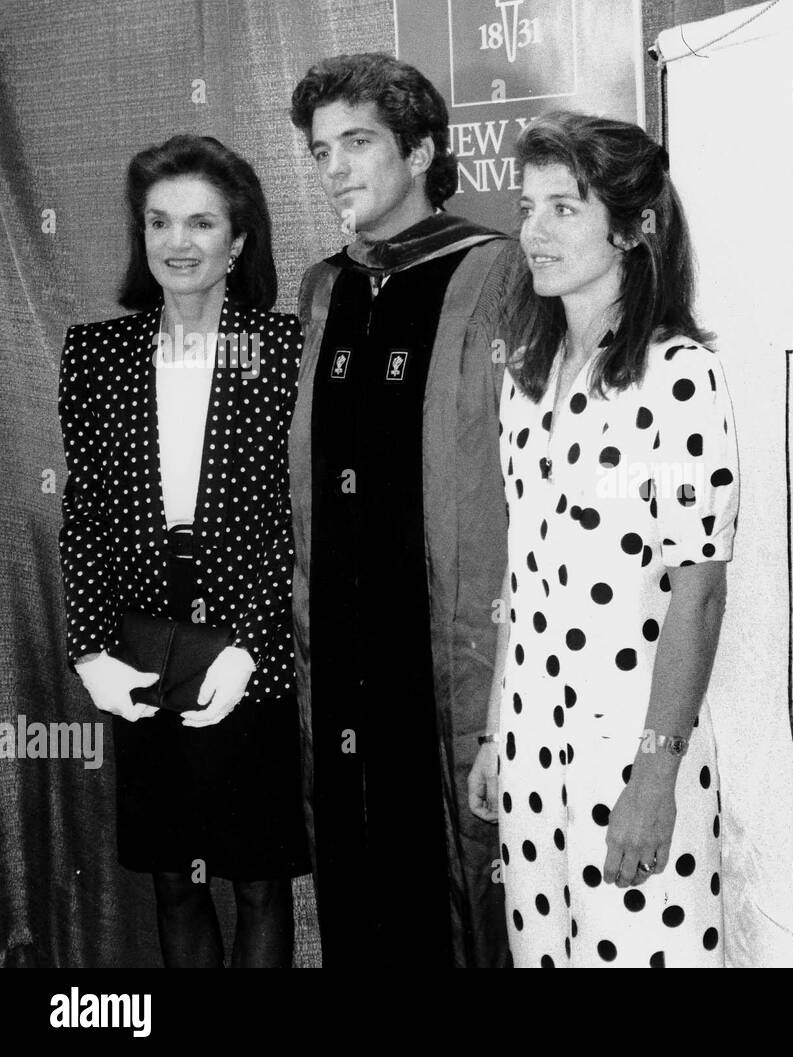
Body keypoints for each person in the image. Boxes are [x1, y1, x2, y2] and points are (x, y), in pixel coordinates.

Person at [468, 111, 740, 967]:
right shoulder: (528, 376)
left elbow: (699, 587)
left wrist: (655, 776)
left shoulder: (679, 376)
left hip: (630, 750)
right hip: (528, 746)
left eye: (563, 208)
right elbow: (525, 572)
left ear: (634, 227)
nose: (533, 232)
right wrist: (491, 735)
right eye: (526, 207)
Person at [58, 134, 309, 967]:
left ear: (238, 241)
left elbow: (293, 518)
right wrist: (91, 646)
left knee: (260, 877)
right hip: (144, 644)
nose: (178, 242)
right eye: (159, 222)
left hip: (251, 638)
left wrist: (253, 644)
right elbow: (86, 513)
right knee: (174, 876)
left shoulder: (280, 349)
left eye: (202, 223)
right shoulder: (98, 354)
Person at [288, 53, 514, 967]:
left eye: (358, 142)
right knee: (351, 850)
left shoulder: (493, 272)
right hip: (340, 628)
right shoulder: (322, 286)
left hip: (445, 626)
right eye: (320, 150)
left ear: (420, 149)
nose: (336, 167)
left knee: (447, 869)